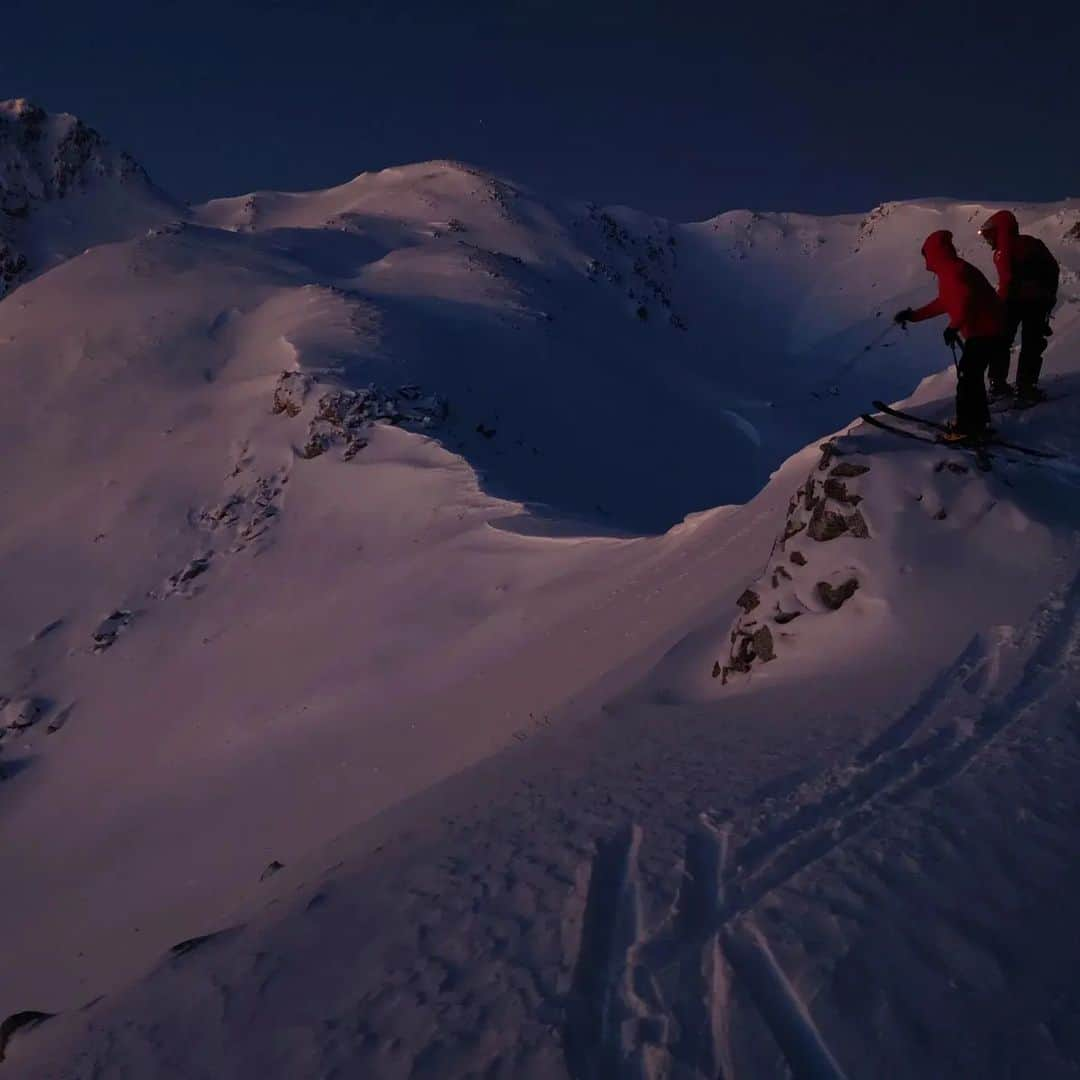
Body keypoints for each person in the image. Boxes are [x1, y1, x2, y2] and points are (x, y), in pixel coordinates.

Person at [894, 230, 1006, 442]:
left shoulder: (952, 272)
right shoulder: (954, 269)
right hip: (989, 330)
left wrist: (954, 326)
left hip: (984, 331)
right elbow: (946, 301)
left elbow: (965, 299)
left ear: (933, 253)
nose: (925, 260)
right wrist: (913, 316)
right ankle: (978, 422)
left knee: (967, 378)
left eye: (925, 255)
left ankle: (967, 428)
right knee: (971, 377)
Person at [977, 209, 1059, 403]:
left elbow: (1006, 280)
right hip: (1038, 302)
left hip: (1013, 302)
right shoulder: (1032, 243)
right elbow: (1053, 268)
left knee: (1002, 342)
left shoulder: (1003, 250)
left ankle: (998, 384)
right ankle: (1026, 387)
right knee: (1032, 343)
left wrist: (998, 305)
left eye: (989, 236)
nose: (988, 241)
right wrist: (1049, 297)